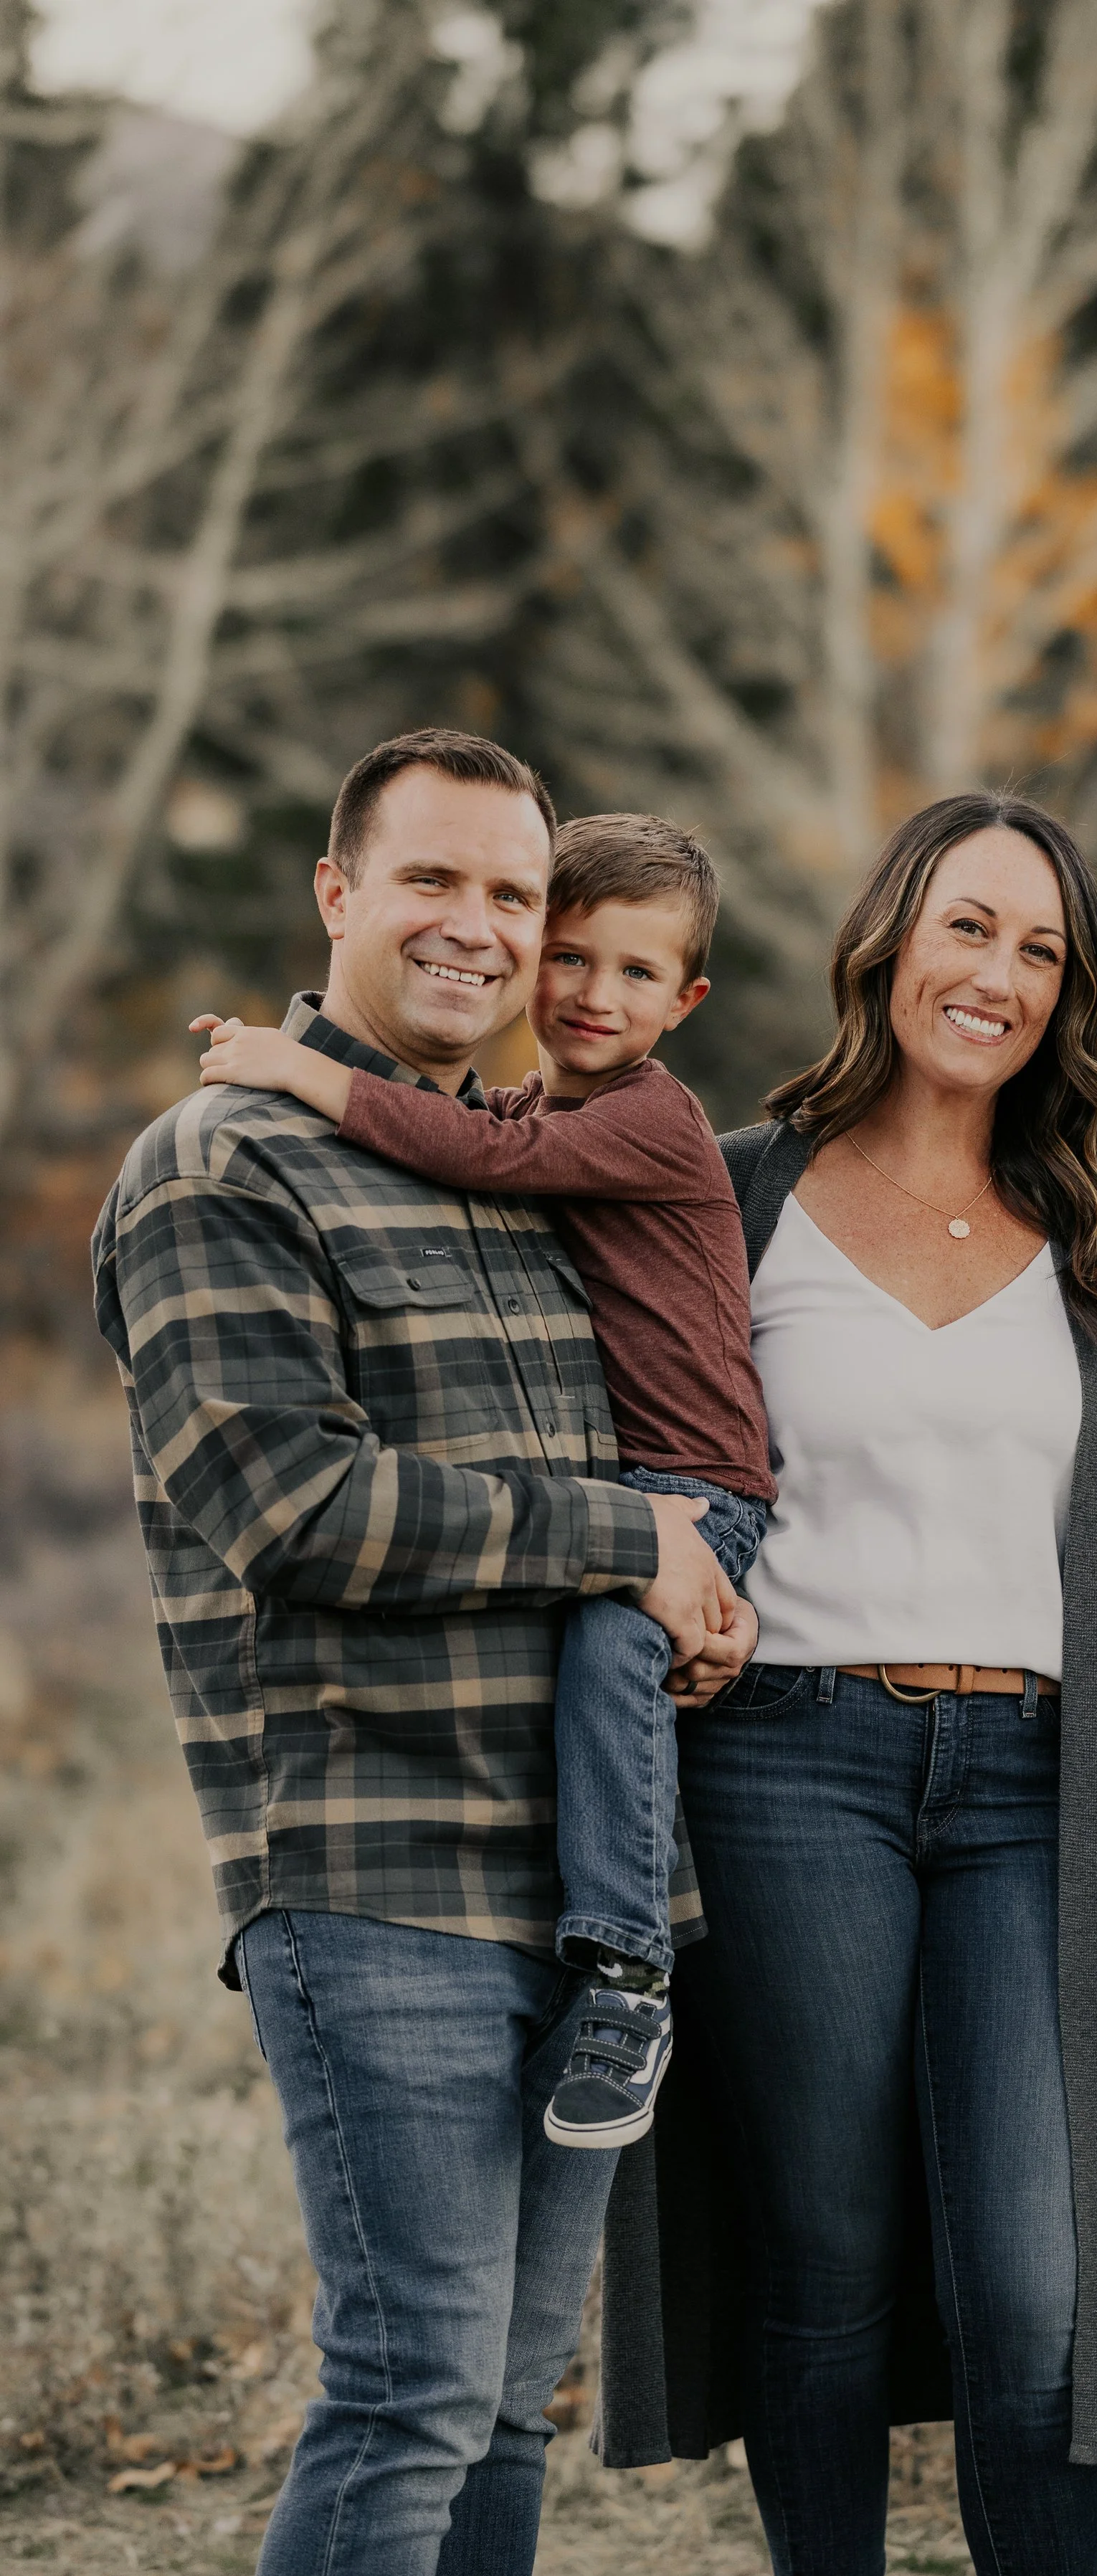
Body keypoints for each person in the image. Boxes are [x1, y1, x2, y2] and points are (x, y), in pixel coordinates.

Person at [92, 731, 750, 2576]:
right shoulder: (217, 1160)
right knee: (406, 2390)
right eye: (433, 882)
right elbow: (290, 1503)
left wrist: (687, 1591)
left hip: (583, 1887)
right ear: (336, 895)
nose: (479, 928)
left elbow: (643, 1488)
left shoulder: (541, 1166)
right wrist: (623, 1537)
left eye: (515, 895)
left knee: (504, 2404)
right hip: (374, 1874)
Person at [597, 791, 1097, 2576]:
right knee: (825, 2251)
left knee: (1036, 2280)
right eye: (968, 928)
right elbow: (644, 1447)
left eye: (1038, 948)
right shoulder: (736, 1185)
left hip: (1035, 1782)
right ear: (888, 941)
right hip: (788, 1763)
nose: (997, 975)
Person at [191, 810, 776, 2152]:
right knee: (610, 1651)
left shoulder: (648, 1119)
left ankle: (628, 1969)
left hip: (695, 1481)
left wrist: (297, 1069)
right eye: (569, 959)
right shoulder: (543, 1104)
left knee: (615, 1655)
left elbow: (476, 1155)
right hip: (632, 1497)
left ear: (685, 1004)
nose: (591, 996)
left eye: (636, 976)